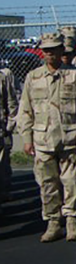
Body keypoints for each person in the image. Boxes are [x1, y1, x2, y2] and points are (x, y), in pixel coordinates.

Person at [17, 32, 76, 242]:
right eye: (46, 49)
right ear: (41, 52)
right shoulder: (33, 77)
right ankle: (53, 221)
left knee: (71, 181)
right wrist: (26, 138)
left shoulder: (75, 75)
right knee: (47, 183)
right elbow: (26, 110)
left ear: (61, 50)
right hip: (43, 139)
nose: (50, 53)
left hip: (69, 137)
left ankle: (71, 219)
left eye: (54, 49)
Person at [0, 67, 18, 210]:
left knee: (3, 162)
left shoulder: (3, 76)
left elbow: (11, 101)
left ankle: (4, 191)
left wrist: (10, 125)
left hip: (1, 129)